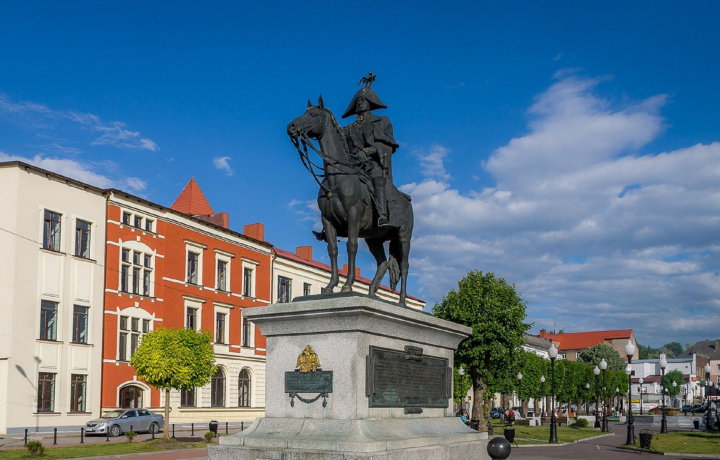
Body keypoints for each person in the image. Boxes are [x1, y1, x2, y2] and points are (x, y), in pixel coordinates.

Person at [341, 78, 399, 228]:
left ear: (370, 103)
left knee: (378, 181)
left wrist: (367, 151)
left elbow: (385, 144)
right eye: (358, 101)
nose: (360, 103)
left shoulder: (379, 121)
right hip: (352, 165)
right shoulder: (347, 129)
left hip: (370, 164)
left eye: (364, 100)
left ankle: (382, 217)